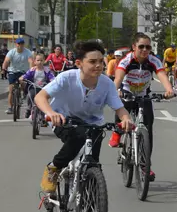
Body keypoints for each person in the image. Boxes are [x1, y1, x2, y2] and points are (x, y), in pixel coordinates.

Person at [37, 40, 134, 193]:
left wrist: (126, 119)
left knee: (93, 166)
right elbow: (40, 97)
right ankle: (54, 167)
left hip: (94, 124)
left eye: (101, 61)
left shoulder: (107, 84)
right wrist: (51, 113)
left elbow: (119, 108)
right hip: (63, 120)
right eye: (92, 61)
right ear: (79, 63)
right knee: (78, 136)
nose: (98, 65)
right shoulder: (66, 78)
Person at [111, 33, 175, 180]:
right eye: (141, 47)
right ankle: (117, 131)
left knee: (148, 130)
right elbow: (119, 77)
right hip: (127, 92)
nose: (145, 50)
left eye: (148, 47)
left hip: (144, 95)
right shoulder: (126, 61)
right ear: (134, 47)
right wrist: (115, 91)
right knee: (121, 109)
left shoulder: (153, 60)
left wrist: (169, 89)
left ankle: (146, 166)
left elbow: (162, 75)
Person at [1, 37, 33, 114]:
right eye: (19, 44)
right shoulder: (12, 52)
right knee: (11, 90)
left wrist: (32, 71)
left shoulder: (27, 52)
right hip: (13, 71)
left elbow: (31, 62)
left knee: (22, 83)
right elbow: (6, 61)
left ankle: (23, 93)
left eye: (22, 44)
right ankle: (10, 108)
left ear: (23, 44)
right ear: (16, 44)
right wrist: (3, 69)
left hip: (23, 71)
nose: (20, 45)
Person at [19, 53, 55, 118]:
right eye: (38, 60)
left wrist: (53, 80)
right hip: (34, 87)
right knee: (30, 95)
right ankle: (29, 109)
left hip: (43, 88)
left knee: (44, 101)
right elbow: (26, 75)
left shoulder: (46, 70)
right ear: (35, 62)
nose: (40, 62)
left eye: (41, 60)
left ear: (44, 61)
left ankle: (43, 116)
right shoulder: (32, 70)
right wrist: (22, 77)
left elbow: (51, 76)